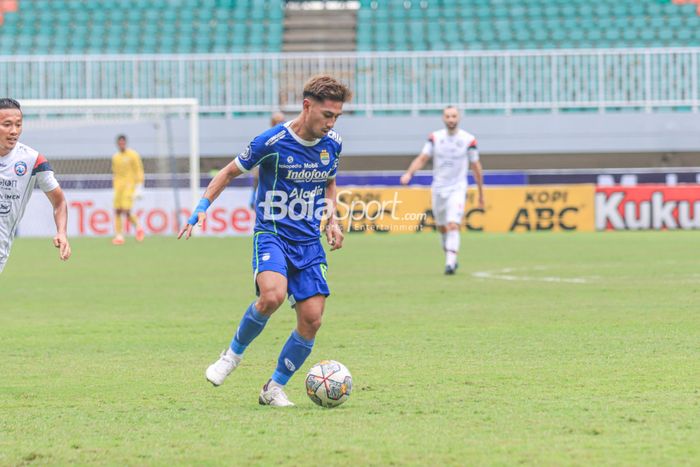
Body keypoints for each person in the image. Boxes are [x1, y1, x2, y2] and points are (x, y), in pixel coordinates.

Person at [178, 75, 350, 407]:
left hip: (308, 242)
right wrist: (202, 208)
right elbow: (228, 172)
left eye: (336, 117)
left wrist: (332, 218)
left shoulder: (334, 144)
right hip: (272, 234)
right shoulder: (271, 142)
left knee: (312, 319)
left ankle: (273, 388)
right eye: (327, 115)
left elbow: (329, 182)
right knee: (272, 295)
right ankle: (231, 355)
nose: (331, 123)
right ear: (307, 106)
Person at [400, 106, 485, 275]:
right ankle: (450, 255)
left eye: (454, 116)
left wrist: (481, 193)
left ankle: (450, 263)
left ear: (459, 118)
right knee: (442, 227)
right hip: (438, 187)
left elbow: (476, 166)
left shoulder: (468, 140)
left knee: (453, 224)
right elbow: (423, 157)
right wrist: (409, 173)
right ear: (443, 118)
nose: (451, 119)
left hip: (458, 187)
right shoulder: (435, 138)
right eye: (448, 116)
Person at [0, 98, 71, 273]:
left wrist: (61, 232)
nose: (14, 131)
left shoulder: (32, 160)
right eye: (7, 124)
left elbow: (59, 202)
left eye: (18, 125)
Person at [111, 134, 145, 245]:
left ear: (125, 143)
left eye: (123, 143)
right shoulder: (115, 157)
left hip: (129, 187)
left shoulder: (133, 155)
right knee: (117, 210)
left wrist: (139, 186)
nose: (121, 145)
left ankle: (139, 227)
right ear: (117, 144)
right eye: (119, 143)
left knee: (126, 210)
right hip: (118, 188)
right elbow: (115, 173)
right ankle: (119, 236)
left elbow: (139, 170)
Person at [249, 111, 286, 209]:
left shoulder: (291, 142)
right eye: (277, 122)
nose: (280, 124)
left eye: (282, 121)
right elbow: (256, 175)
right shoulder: (265, 142)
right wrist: (253, 196)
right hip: (269, 196)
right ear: (272, 124)